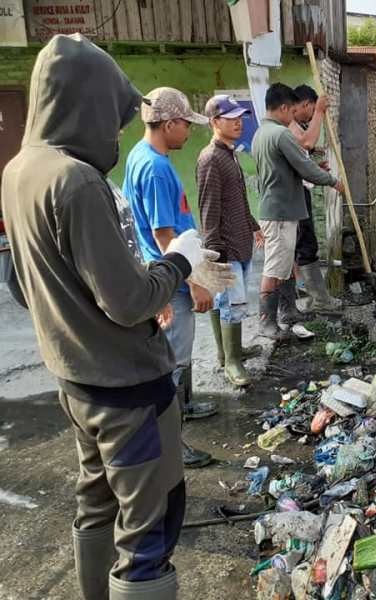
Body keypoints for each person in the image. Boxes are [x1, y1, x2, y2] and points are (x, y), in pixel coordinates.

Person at [1, 34, 234, 599]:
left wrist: (84, 311)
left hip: (76, 379)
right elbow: (129, 301)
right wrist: (179, 261)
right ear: (88, 105)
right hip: (127, 387)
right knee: (148, 526)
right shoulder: (77, 181)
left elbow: (22, 284)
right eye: (112, 116)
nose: (115, 132)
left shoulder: (19, 170)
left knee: (97, 502)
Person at [123, 86, 217, 469]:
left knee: (178, 354)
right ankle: (172, 444)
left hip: (161, 272)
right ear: (169, 124)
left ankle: (187, 406)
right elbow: (163, 235)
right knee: (172, 362)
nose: (190, 132)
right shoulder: (156, 168)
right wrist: (194, 282)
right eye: (186, 124)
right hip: (170, 278)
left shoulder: (141, 155)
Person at [252, 83, 344, 341]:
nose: (293, 117)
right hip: (279, 212)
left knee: (285, 264)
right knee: (274, 268)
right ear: (283, 108)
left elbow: (291, 169)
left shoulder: (261, 133)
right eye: (291, 111)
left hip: (280, 209)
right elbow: (304, 167)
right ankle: (267, 323)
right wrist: (332, 181)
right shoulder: (280, 134)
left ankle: (288, 311)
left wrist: (316, 171)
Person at [197, 94, 264, 387]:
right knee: (232, 302)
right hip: (225, 246)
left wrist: (253, 225)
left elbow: (238, 199)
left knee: (225, 300)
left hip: (240, 240)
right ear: (215, 122)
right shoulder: (210, 159)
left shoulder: (230, 153)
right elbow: (208, 209)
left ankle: (229, 352)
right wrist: (215, 252)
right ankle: (232, 362)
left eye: (240, 118)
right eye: (231, 118)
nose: (239, 123)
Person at [288, 84, 342, 315]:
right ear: (305, 104)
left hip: (298, 192)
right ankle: (317, 300)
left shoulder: (292, 127)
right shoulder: (289, 126)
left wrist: (315, 168)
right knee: (305, 246)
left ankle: (309, 297)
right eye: (310, 111)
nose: (310, 118)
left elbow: (300, 161)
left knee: (301, 245)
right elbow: (306, 143)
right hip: (294, 196)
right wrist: (319, 112)